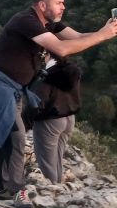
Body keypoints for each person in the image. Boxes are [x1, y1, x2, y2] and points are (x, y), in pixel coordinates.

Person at [0, 0, 117, 208]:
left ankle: (0, 188)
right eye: (59, 2)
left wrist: (104, 31)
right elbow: (61, 49)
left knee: (6, 134)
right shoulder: (26, 21)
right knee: (16, 135)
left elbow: (78, 38)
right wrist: (102, 35)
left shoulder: (50, 23)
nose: (64, 6)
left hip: (15, 88)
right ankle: (17, 191)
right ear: (42, 5)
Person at [31, 56, 83, 184]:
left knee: (47, 161)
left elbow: (39, 100)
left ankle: (51, 190)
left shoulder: (50, 74)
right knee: (58, 157)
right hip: (69, 118)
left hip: (50, 119)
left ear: (49, 54)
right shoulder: (71, 70)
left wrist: (28, 119)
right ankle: (59, 186)